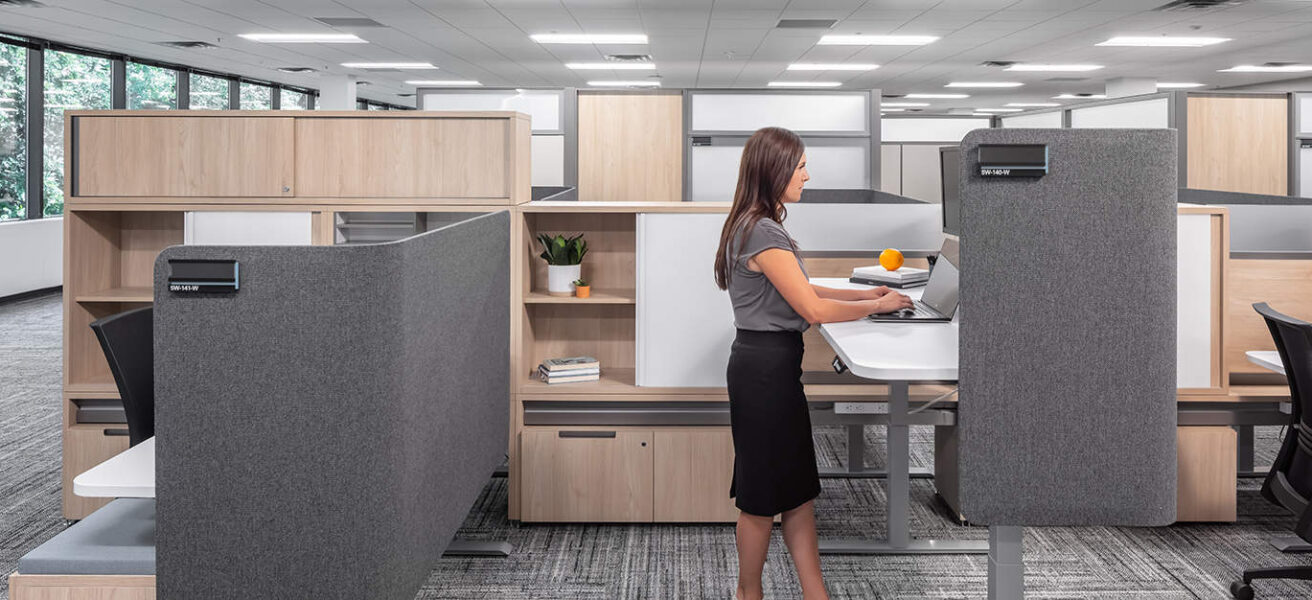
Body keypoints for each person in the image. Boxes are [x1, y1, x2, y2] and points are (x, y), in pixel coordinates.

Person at [713, 126, 912, 600]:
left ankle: (814, 593)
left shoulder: (756, 223)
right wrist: (878, 306)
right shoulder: (761, 229)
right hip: (764, 374)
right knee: (761, 500)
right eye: (800, 166)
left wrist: (863, 294)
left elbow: (803, 288)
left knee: (798, 493)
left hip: (772, 368)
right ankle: (748, 593)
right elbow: (813, 309)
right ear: (776, 170)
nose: (807, 175)